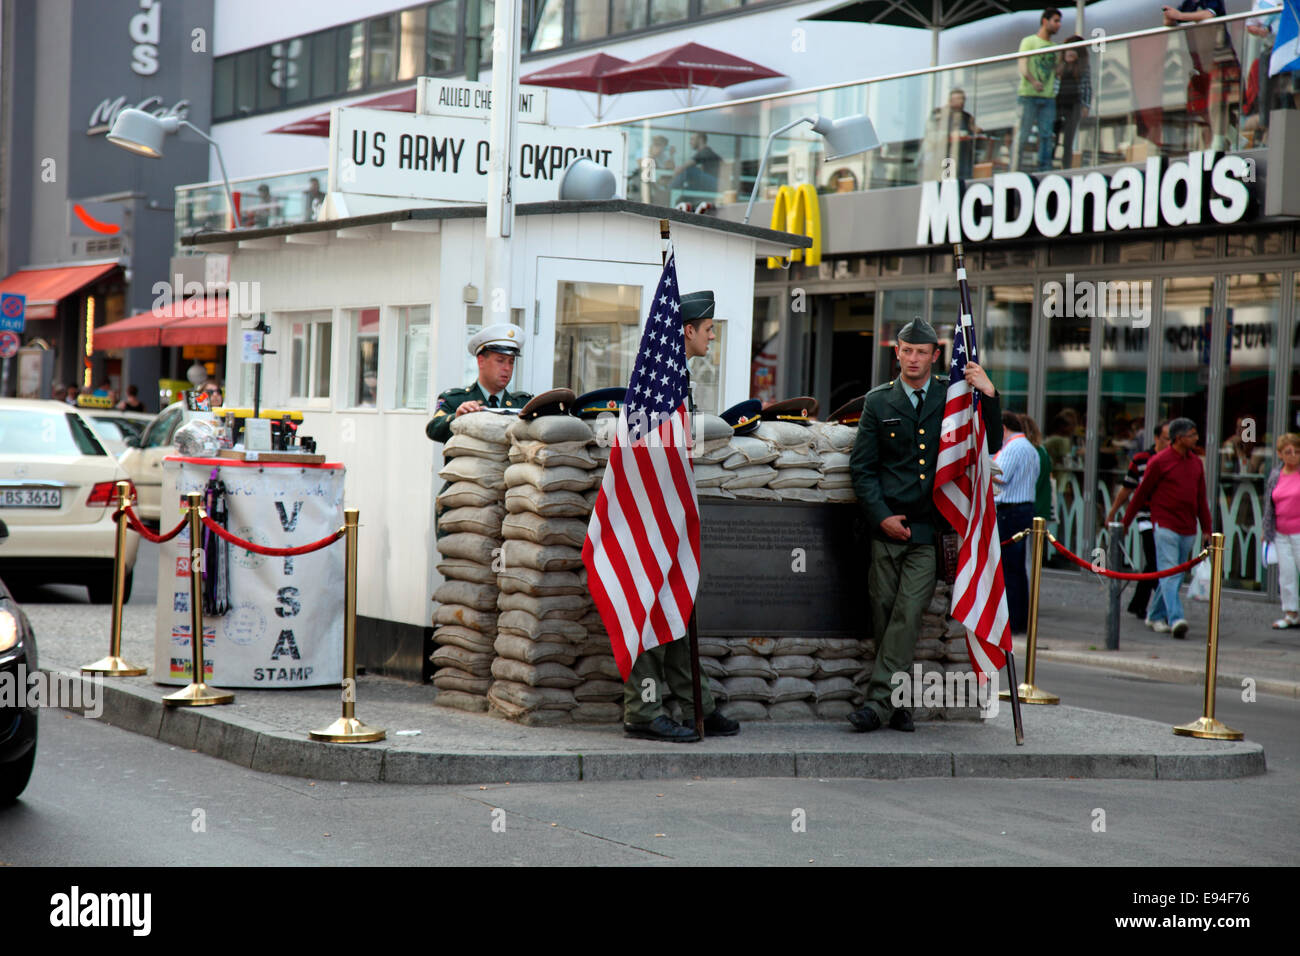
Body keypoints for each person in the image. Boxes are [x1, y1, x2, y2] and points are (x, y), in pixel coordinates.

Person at [847, 317, 1002, 732]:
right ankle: (898, 704)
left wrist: (988, 394)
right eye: (906, 350)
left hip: (927, 532)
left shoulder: (953, 399)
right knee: (883, 616)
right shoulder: (878, 402)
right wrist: (881, 516)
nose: (913, 359)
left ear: (936, 356)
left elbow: (989, 444)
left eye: (922, 352)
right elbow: (862, 469)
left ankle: (876, 705)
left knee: (909, 614)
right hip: (886, 529)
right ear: (896, 353)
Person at [622, 290, 739, 743]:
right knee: (651, 613)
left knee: (678, 611)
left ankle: (698, 706)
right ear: (687, 330)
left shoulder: (677, 376)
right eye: (708, 330)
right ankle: (643, 711)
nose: (712, 337)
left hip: (670, 512)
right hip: (650, 514)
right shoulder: (658, 377)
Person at [1122, 418, 1213, 639]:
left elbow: (1201, 497)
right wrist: (1125, 522)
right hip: (1164, 524)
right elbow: (1141, 494)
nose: (1197, 438)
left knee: (1176, 575)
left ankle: (1154, 615)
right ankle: (1176, 618)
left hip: (1188, 526)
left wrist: (1206, 528)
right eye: (1192, 434)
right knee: (1169, 572)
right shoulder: (1159, 461)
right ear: (1179, 438)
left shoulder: (1196, 463)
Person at [1105, 420, 1171, 621]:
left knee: (1156, 565)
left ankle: (1139, 604)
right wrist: (1114, 513)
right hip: (1147, 518)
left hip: (1167, 519)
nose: (1170, 443)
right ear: (1156, 438)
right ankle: (1164, 607)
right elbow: (1128, 488)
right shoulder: (1142, 459)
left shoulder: (1175, 460)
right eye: (1167, 438)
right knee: (1153, 561)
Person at [426, 323, 532, 444]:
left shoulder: (524, 404)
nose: (507, 368)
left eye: (511, 362)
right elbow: (433, 429)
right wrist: (457, 417)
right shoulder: (454, 400)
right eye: (500, 361)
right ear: (481, 361)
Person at [1164, 0, 1238, 150]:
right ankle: (1235, 137)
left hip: (1220, 57)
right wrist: (1170, 17)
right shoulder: (1188, 4)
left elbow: (1209, 15)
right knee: (1197, 104)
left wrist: (1180, 15)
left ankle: (1218, 142)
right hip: (1200, 65)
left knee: (1216, 102)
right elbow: (1170, 22)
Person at [993, 411, 1040, 635]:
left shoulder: (1013, 447)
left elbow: (1000, 476)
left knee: (1010, 568)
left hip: (1010, 511)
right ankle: (1019, 619)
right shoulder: (1030, 447)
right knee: (1016, 568)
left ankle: (1013, 620)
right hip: (1020, 509)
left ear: (1003, 428)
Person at [1017, 7, 1063, 171]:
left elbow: (1058, 72)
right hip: (1028, 95)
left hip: (1048, 97)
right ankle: (1016, 166)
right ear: (1045, 21)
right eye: (1055, 21)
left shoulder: (1054, 46)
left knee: (1046, 134)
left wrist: (1066, 59)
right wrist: (1033, 81)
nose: (1058, 25)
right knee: (1023, 134)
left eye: (1059, 21)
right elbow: (1022, 65)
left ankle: (1045, 167)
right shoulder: (1029, 41)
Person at [1264, 433, 1300, 629]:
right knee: (1286, 574)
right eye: (1288, 452)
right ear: (1279, 454)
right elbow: (1269, 504)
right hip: (1281, 533)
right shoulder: (1276, 475)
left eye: (1297, 451)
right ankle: (1291, 613)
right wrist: (1266, 529)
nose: (1293, 455)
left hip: (1299, 532)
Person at [922, 87, 981, 181]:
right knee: (946, 183)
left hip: (964, 157)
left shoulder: (967, 117)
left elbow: (973, 132)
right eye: (958, 99)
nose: (961, 102)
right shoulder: (939, 114)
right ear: (950, 100)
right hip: (944, 156)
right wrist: (949, 135)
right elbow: (931, 135)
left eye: (963, 99)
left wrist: (975, 130)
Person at [1054, 36, 1092, 168]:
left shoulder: (1083, 68)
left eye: (1074, 50)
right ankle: (1049, 161)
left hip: (1074, 105)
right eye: (1068, 49)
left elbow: (1087, 86)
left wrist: (1086, 105)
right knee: (1053, 134)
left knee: (1068, 139)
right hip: (1057, 104)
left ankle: (1066, 165)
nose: (1070, 53)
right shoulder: (1059, 67)